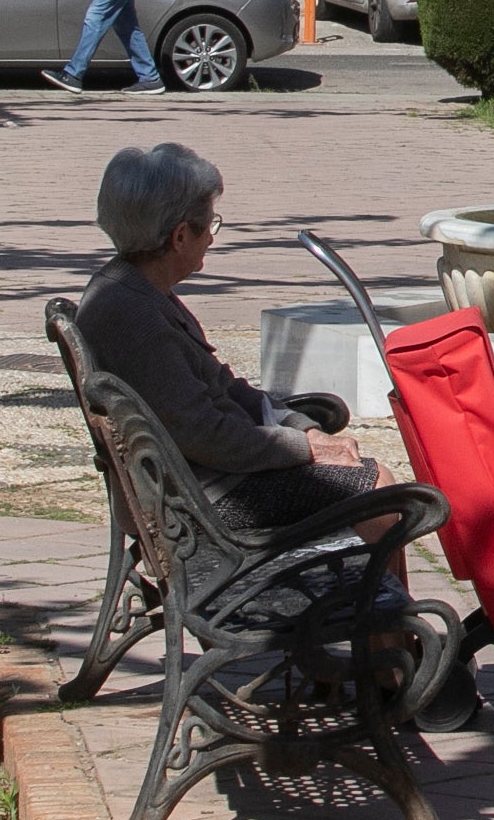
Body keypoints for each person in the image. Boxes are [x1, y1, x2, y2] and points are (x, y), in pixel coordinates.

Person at [72, 143, 400, 534]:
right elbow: (205, 434)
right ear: (179, 236)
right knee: (380, 494)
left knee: (370, 479)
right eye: (209, 225)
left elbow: (224, 386)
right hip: (196, 497)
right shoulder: (134, 316)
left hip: (206, 476)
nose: (212, 238)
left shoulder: (135, 287)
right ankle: (376, 598)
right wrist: (305, 449)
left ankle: (371, 595)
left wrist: (301, 428)